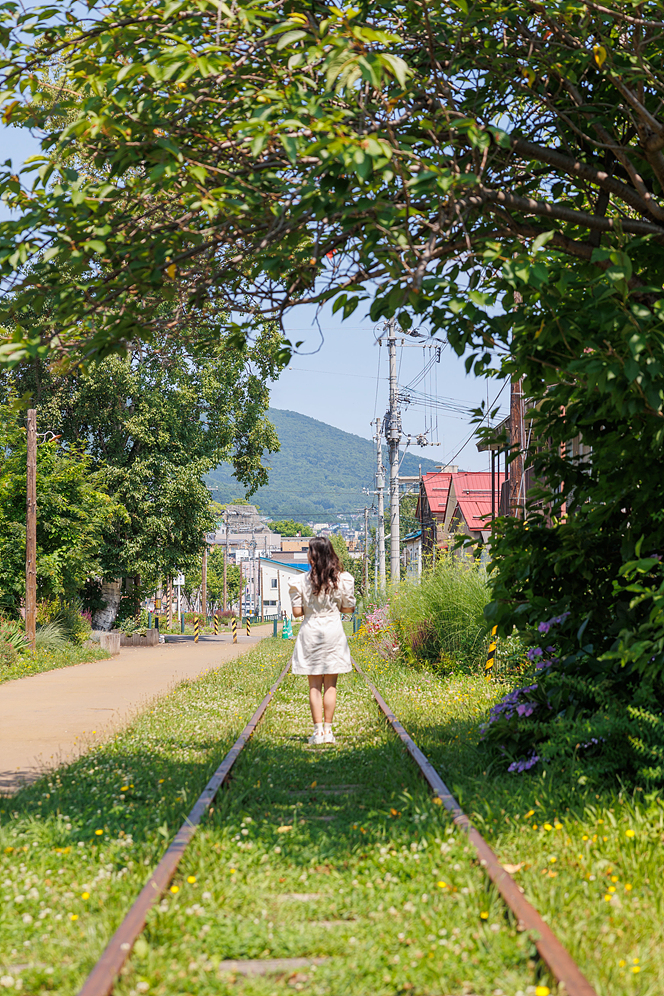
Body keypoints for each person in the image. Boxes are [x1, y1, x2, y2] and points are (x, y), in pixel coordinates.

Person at [289, 537, 356, 745]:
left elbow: (297, 613)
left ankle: (317, 732)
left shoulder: (300, 581)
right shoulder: (343, 579)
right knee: (331, 685)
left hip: (311, 630)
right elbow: (349, 608)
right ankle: (329, 730)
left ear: (312, 554)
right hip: (333, 630)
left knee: (314, 685)